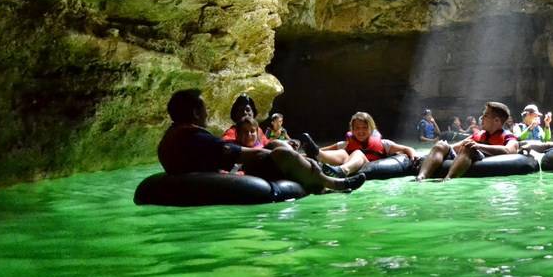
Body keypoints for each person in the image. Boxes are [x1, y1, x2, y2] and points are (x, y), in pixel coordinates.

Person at [157, 88, 365, 192]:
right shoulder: (193, 137)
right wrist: (278, 153)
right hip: (219, 179)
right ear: (195, 113)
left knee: (277, 146)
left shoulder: (172, 136)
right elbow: (234, 152)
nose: (207, 114)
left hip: (217, 171)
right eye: (204, 109)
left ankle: (317, 167)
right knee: (281, 152)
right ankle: (332, 183)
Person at [415, 101, 519, 181]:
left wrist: (478, 146)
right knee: (441, 144)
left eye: (485, 115)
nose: (481, 118)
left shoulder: (508, 136)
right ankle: (420, 177)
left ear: (496, 120)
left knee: (469, 147)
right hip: (465, 155)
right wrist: (424, 157)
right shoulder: (479, 134)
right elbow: (454, 147)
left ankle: (448, 179)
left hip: (481, 157)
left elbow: (509, 150)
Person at [298, 112, 417, 178]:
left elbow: (407, 148)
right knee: (341, 152)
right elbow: (325, 150)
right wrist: (303, 155)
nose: (361, 131)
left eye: (365, 128)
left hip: (367, 166)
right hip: (347, 161)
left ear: (371, 128)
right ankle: (320, 158)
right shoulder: (345, 144)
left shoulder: (384, 143)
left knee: (357, 153)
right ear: (352, 130)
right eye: (357, 128)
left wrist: (414, 158)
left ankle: (342, 171)